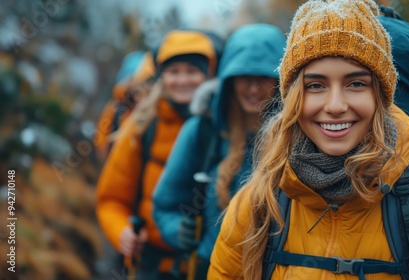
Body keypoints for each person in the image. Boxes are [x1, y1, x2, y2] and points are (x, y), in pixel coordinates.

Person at [208, 0, 409, 279]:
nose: (335, 105)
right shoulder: (259, 202)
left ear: (381, 97)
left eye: (356, 83)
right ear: (293, 97)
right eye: (316, 85)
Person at [153, 23, 286, 279]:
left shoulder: (298, 136)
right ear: (228, 79)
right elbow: (165, 205)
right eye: (243, 76)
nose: (253, 88)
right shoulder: (203, 132)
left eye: (263, 77)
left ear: (281, 81)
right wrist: (178, 230)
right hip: (210, 269)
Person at [96, 29, 222, 280]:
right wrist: (122, 233)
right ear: (162, 76)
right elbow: (111, 199)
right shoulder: (142, 126)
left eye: (192, 71)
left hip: (209, 268)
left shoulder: (223, 126)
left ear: (207, 75)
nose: (182, 80)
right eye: (174, 72)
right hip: (150, 267)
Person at [93, 51, 155, 163]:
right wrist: (102, 146)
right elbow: (103, 126)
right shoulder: (118, 104)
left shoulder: (148, 111)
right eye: (134, 80)